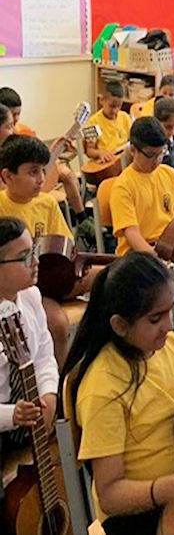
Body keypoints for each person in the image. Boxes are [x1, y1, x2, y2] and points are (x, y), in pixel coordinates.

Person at [60, 252, 174, 534]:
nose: (171, 325)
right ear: (120, 325)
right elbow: (110, 495)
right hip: (141, 510)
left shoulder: (170, 345)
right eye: (155, 318)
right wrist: (170, 489)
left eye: (171, 310)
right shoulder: (103, 388)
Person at [0, 135, 98, 365]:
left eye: (43, 171)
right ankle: (58, 385)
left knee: (112, 276)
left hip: (53, 277)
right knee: (58, 324)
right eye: (33, 172)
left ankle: (94, 360)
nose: (41, 179)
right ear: (7, 176)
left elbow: (65, 246)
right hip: (24, 287)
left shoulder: (47, 203)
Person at [0, 87, 93, 242]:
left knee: (66, 173)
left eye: (18, 115)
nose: (15, 126)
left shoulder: (46, 203)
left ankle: (82, 218)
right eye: (9, 125)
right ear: (7, 176)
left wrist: (54, 151)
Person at [0, 217, 58, 451]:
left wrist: (49, 395)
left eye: (34, 250)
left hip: (29, 408)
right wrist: (11, 415)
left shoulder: (31, 296)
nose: (35, 261)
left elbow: (44, 357)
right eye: (24, 257)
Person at [109, 117, 174, 256]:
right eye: (151, 155)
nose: (157, 160)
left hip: (169, 246)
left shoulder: (168, 174)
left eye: (161, 153)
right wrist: (156, 259)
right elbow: (132, 235)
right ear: (133, 150)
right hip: (137, 254)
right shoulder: (123, 186)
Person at [85, 80, 132, 163]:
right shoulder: (93, 121)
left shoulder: (125, 117)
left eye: (119, 106)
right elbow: (89, 150)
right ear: (102, 100)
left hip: (122, 160)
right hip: (104, 163)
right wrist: (100, 153)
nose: (115, 111)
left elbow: (132, 140)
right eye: (112, 106)